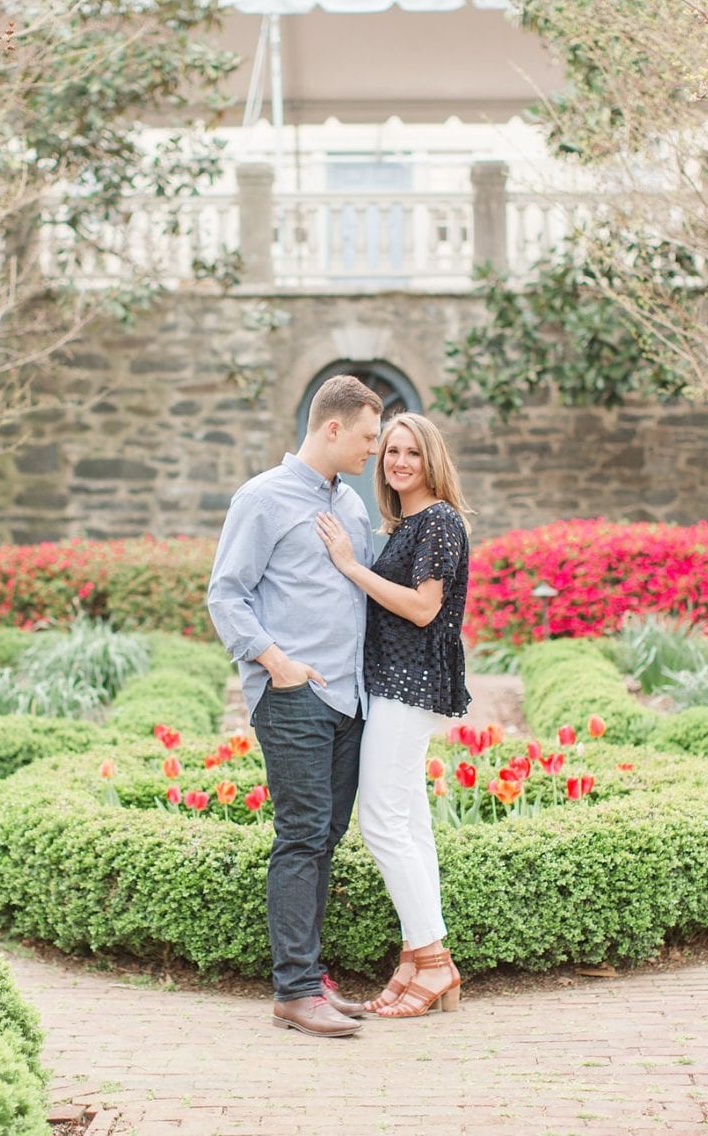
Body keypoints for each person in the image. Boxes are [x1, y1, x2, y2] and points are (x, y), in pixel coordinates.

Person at [206, 375, 383, 1038]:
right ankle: (294, 990)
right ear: (333, 429)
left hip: (349, 699)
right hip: (295, 696)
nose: (373, 448)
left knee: (325, 836)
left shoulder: (353, 508)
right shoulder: (262, 498)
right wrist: (277, 663)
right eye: (367, 436)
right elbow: (226, 594)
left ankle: (310, 976)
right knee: (303, 833)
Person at [314, 411, 472, 1019]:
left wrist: (351, 566)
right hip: (398, 686)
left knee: (380, 820)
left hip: (411, 687)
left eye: (411, 452)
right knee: (409, 823)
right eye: (390, 452)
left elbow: (425, 609)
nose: (398, 461)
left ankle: (431, 959)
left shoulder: (438, 522)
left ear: (431, 459)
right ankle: (419, 958)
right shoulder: (412, 523)